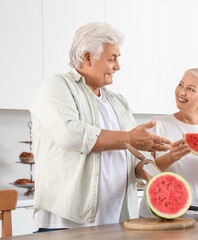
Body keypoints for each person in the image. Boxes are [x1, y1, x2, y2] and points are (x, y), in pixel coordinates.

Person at [30, 22, 171, 232]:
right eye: (112, 58)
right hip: (65, 224)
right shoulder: (56, 86)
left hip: (116, 221)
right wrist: (130, 138)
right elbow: (71, 135)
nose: (118, 66)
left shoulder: (118, 101)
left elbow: (137, 156)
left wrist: (158, 177)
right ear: (87, 57)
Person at [139, 68, 198, 217]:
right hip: (156, 214)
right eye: (180, 85)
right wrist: (171, 157)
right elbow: (141, 171)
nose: (181, 92)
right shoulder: (157, 124)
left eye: (190, 89)